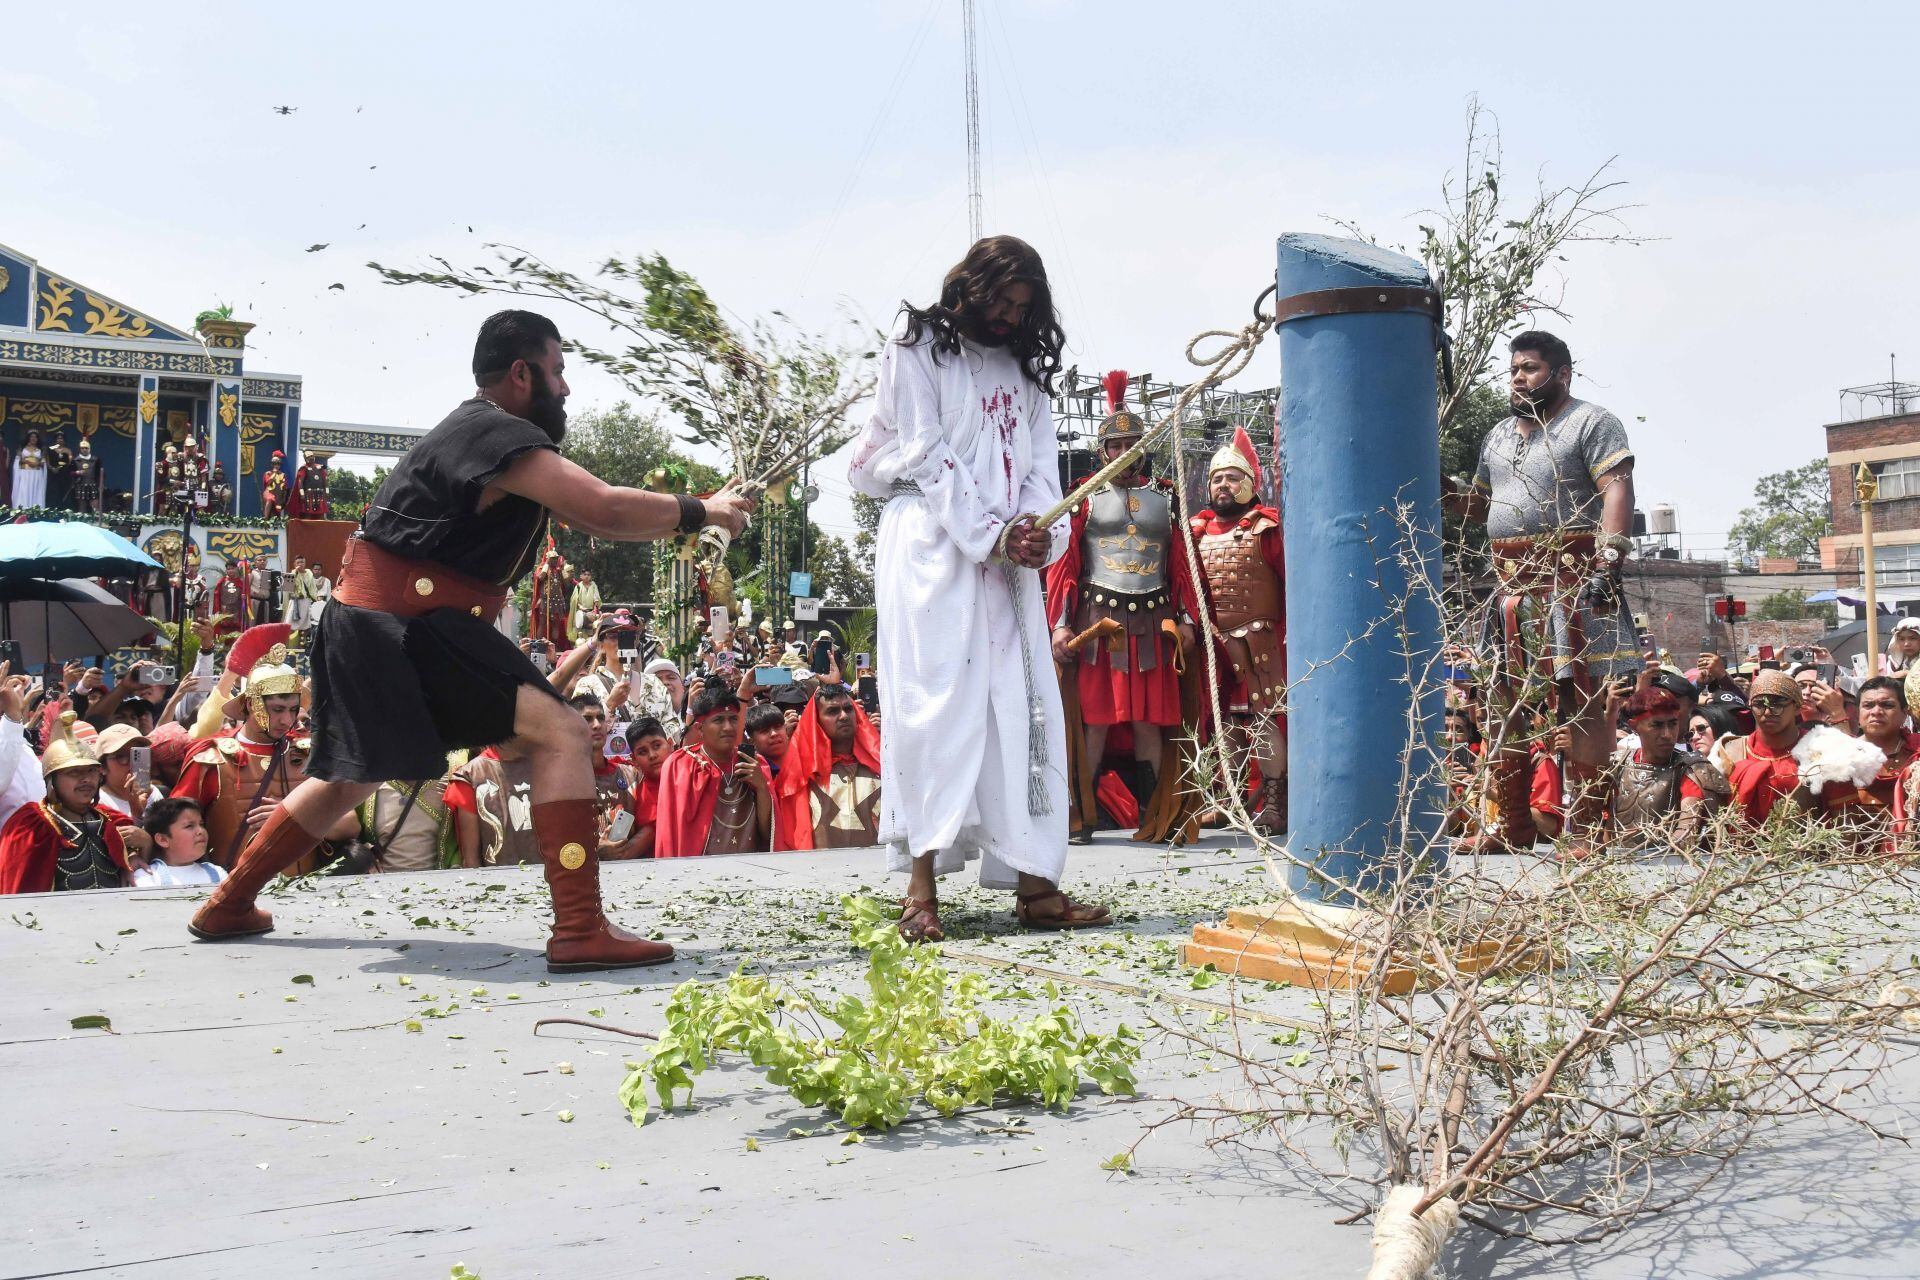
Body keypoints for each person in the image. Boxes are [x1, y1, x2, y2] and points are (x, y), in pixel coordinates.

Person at [185, 309, 753, 972]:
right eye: (557, 370)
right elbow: (601, 506)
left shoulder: (483, 436)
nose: (565, 388)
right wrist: (703, 510)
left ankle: (228, 900)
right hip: (407, 624)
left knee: (352, 779)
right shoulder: (492, 431)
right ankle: (578, 929)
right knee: (564, 732)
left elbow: (602, 518)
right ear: (521, 374)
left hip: (378, 622)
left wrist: (697, 512)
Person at [846, 235, 1110, 940]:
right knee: (936, 708)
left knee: (1024, 709)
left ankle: (1038, 886)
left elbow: (1038, 475)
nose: (1008, 318)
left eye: (1023, 308)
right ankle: (921, 890)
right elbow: (926, 455)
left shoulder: (1025, 371)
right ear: (971, 286)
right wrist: (990, 534)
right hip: (934, 549)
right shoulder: (917, 347)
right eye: (1001, 301)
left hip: (1009, 562)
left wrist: (1035, 534)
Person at [1442, 331, 1640, 855]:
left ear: (1562, 375)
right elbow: (1480, 506)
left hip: (1576, 583)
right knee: (1503, 703)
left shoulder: (1593, 422)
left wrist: (1610, 559)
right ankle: (1511, 825)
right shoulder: (1498, 436)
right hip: (1509, 589)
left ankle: (1590, 829)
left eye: (1529, 368)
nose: (1517, 378)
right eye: (1513, 369)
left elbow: (1617, 487)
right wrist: (1439, 485)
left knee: (1580, 704)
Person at [1045, 370, 1196, 843]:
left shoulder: (1169, 498)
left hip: (1154, 618)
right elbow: (1064, 568)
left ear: (1143, 446)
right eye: (1116, 444)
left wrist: (1188, 620)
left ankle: (1160, 816)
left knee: (1151, 719)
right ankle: (1081, 817)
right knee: (1095, 719)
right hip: (1098, 621)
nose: (1124, 451)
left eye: (1132, 442)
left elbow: (1182, 568)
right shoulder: (1083, 500)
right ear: (1103, 451)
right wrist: (1060, 626)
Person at [172, 644, 354, 873]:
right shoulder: (210, 758)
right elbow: (174, 828)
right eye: (277, 709)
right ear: (250, 704)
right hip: (232, 889)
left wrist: (295, 817)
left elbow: (350, 825)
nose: (287, 720)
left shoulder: (311, 756)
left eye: (292, 709)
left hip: (305, 890)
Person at [1189, 426, 1288, 834]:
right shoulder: (1195, 530)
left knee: (1265, 720)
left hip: (1260, 638)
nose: (1223, 485)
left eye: (1232, 477)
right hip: (1214, 640)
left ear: (1249, 483)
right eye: (1216, 478)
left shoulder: (1267, 527)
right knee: (1223, 723)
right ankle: (1227, 800)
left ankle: (1275, 804)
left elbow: (1288, 582)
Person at [0, 714, 145, 893]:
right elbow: (18, 888)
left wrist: (135, 851)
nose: (86, 779)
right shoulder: (29, 826)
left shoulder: (111, 820)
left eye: (91, 771)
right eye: (74, 772)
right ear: (52, 781)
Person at [654, 686, 772, 856]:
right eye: (718, 720)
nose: (728, 727)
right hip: (697, 872)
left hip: (751, 867)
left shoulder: (755, 762)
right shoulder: (681, 764)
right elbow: (671, 832)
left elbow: (769, 833)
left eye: (733, 719)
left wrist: (761, 787)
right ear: (700, 728)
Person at [1607, 687, 1729, 849]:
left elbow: (1687, 832)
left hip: (1670, 866)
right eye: (1657, 725)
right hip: (1615, 868)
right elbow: (1603, 829)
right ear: (1634, 727)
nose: (1667, 734)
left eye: (1672, 724)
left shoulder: (1691, 767)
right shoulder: (1618, 764)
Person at [774, 685, 883, 850]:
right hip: (818, 870)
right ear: (816, 720)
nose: (844, 716)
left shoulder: (881, 765)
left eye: (848, 709)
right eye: (833, 711)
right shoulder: (801, 775)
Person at [1824, 675, 1919, 839]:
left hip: (1910, 855)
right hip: (1851, 857)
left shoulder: (1916, 751)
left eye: (1887, 705)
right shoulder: (1835, 753)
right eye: (1868, 705)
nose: (1876, 711)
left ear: (1905, 713)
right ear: (1858, 713)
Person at [573, 693, 642, 860]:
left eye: (600, 718)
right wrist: (594, 852)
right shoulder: (561, 781)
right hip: (584, 878)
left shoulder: (631, 774)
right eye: (587, 719)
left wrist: (624, 852)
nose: (596, 725)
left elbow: (650, 827)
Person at [132, 797, 225, 888]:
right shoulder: (148, 877)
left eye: (201, 824)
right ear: (163, 840)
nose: (200, 831)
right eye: (189, 826)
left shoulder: (218, 873)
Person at [626, 716, 673, 860]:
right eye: (642, 752)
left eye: (657, 746)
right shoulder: (634, 790)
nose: (652, 755)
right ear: (634, 759)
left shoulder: (691, 777)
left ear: (671, 744)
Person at [94, 722, 157, 821]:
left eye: (137, 754)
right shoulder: (98, 802)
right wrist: (136, 808)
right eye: (121, 756)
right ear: (102, 767)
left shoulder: (152, 792)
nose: (132, 762)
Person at [744, 702, 791, 777]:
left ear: (786, 728)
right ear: (752, 741)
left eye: (778, 727)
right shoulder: (752, 774)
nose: (774, 734)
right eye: (764, 731)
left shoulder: (805, 762)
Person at [11, 429, 46, 509]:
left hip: (36, 474)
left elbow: (43, 461)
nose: (33, 438)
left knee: (36, 491)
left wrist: (37, 463)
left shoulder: (41, 450)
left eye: (35, 437)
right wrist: (28, 462)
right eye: (31, 437)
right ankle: (22, 509)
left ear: (37, 439)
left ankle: (36, 510)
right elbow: (18, 459)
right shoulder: (22, 448)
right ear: (28, 438)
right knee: (24, 490)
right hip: (25, 473)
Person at [284, 557, 319, 633]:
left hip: (306, 602)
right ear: (294, 564)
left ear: (305, 563)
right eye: (298, 562)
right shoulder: (291, 574)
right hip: (295, 602)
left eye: (302, 562)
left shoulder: (309, 574)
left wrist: (314, 599)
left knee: (305, 626)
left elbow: (313, 588)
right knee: (290, 625)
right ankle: (289, 643)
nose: (300, 564)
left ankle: (303, 643)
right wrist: (295, 573)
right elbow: (287, 588)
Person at [568, 569, 601, 644]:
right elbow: (574, 600)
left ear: (591, 577)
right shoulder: (578, 586)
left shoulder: (593, 585)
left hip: (591, 611)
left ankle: (590, 647)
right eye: (585, 575)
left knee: (591, 630)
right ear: (581, 576)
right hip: (580, 612)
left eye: (588, 575)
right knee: (580, 632)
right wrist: (580, 607)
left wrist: (595, 607)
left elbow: (596, 597)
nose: (586, 576)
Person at [261, 452, 289, 519]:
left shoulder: (283, 475)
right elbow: (268, 482)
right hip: (269, 493)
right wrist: (274, 473)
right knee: (270, 500)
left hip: (278, 495)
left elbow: (284, 487)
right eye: (275, 464)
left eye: (278, 464)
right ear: (272, 464)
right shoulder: (268, 473)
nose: (276, 465)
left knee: (276, 513)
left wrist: (284, 498)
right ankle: (265, 518)